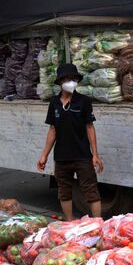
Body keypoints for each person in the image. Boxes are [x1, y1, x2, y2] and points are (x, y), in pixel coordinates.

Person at [36, 63, 104, 220]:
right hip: (61, 157)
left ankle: (97, 224)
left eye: (73, 79)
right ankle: (69, 222)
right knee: (64, 191)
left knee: (91, 191)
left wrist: (95, 154)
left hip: (82, 156)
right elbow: (52, 130)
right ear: (60, 82)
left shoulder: (83, 101)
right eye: (67, 79)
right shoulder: (54, 103)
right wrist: (44, 155)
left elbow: (89, 127)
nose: (71, 82)